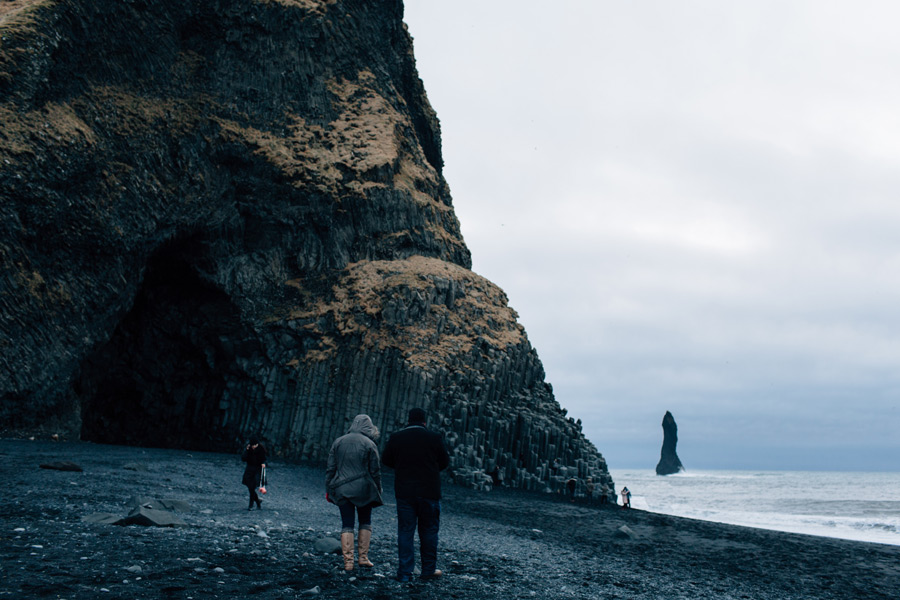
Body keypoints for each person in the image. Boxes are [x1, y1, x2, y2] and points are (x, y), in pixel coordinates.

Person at [381, 407, 450, 582]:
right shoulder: (434, 438)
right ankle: (428, 570)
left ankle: (405, 572)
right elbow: (444, 462)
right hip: (429, 491)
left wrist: (403, 467)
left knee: (406, 531)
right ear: (424, 422)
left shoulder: (397, 437)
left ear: (409, 420)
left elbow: (386, 460)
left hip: (405, 491)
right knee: (429, 531)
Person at [325, 414, 384, 572]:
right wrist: (378, 488)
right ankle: (363, 558)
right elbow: (375, 471)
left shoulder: (339, 441)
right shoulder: (370, 444)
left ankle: (348, 562)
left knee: (347, 524)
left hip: (342, 489)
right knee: (365, 521)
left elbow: (331, 468)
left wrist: (329, 488)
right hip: (363, 490)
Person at [241, 436, 267, 511]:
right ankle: (257, 501)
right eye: (252, 445)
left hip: (257, 471)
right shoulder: (248, 450)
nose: (254, 447)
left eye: (255, 445)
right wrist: (246, 450)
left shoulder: (261, 449)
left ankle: (251, 505)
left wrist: (263, 463)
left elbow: (264, 459)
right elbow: (243, 458)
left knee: (252, 487)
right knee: (250, 488)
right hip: (249, 470)